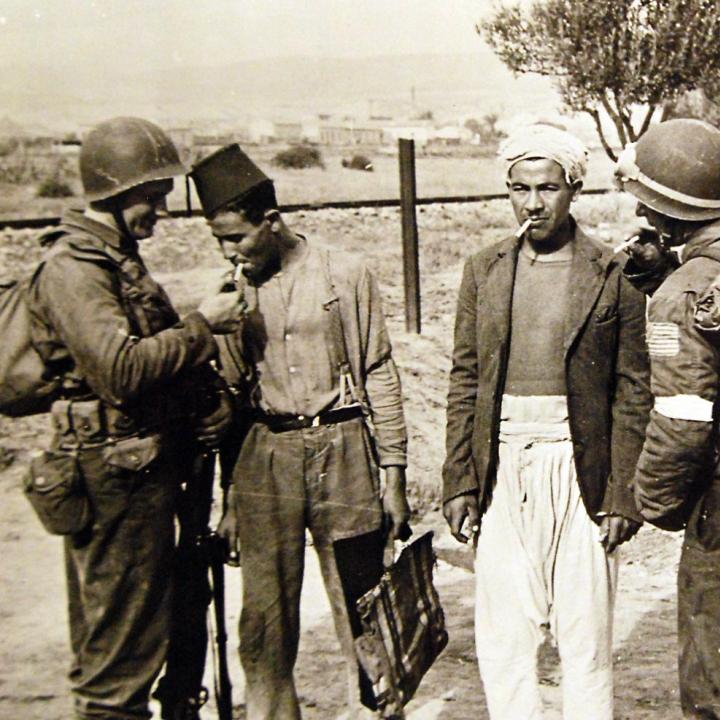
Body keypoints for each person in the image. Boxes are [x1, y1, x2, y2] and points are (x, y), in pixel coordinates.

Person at [27, 117, 245, 720]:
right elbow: (120, 371)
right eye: (157, 194)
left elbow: (152, 362)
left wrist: (207, 400)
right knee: (118, 663)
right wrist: (204, 325)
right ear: (121, 192)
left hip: (136, 470)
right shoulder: (76, 267)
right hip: (112, 478)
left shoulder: (114, 258)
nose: (163, 211)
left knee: (150, 638)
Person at [188, 143, 412, 720]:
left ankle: (377, 711)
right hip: (267, 457)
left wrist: (394, 476)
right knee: (264, 621)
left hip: (344, 452)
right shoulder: (227, 296)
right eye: (217, 240)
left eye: (235, 237)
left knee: (364, 609)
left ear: (271, 221)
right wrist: (232, 502)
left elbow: (379, 372)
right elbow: (229, 407)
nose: (227, 252)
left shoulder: (344, 273)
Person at [442, 123, 651, 720]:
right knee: (505, 640)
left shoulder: (612, 273)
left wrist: (621, 495)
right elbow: (464, 379)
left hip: (580, 471)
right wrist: (459, 479)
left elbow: (633, 391)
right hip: (503, 466)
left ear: (573, 190)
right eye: (520, 188)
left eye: (548, 188)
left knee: (585, 642)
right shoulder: (483, 270)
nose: (533, 203)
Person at [615, 118, 720, 719]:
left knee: (711, 677)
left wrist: (654, 502)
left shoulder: (682, 295)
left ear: (663, 212)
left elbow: (684, 417)